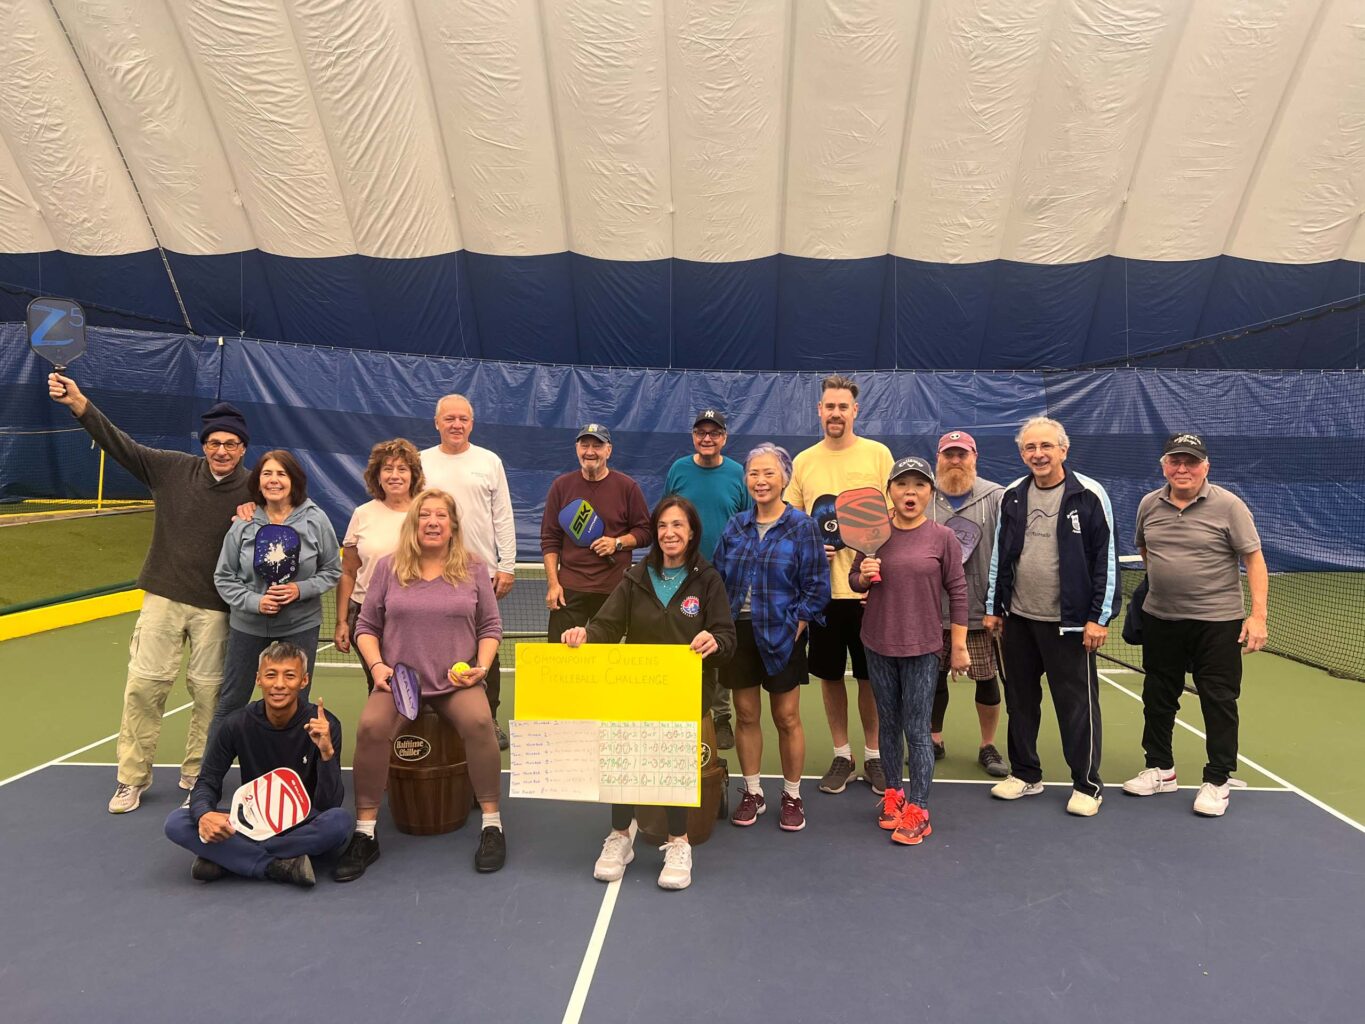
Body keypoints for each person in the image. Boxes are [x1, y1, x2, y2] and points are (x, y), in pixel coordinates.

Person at [47, 371, 251, 814]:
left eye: (231, 444)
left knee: (210, 695)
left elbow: (287, 524)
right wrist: (80, 405)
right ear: (204, 445)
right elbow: (119, 444)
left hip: (218, 609)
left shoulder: (256, 487)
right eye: (214, 443)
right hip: (163, 596)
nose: (222, 451)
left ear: (242, 448)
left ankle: (199, 773)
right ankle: (131, 779)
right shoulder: (170, 469)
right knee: (144, 687)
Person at [562, 496, 735, 891]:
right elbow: (607, 625)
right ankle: (620, 838)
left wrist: (714, 640)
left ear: (691, 533)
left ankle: (679, 843)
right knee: (623, 759)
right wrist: (585, 635)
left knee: (672, 765)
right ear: (655, 533)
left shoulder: (707, 580)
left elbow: (727, 636)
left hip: (684, 691)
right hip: (635, 689)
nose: (669, 533)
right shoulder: (636, 577)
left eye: (678, 525)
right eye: (662, 526)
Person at [337, 489, 505, 879]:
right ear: (413, 524)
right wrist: (378, 666)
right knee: (371, 728)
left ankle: (492, 825)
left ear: (453, 525)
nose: (432, 522)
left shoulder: (475, 567)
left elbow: (490, 627)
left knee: (482, 725)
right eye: (424, 515)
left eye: (441, 516)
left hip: (456, 682)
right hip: (401, 683)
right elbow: (366, 626)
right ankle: (365, 833)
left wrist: (479, 668)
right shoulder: (388, 567)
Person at [1122, 432, 1268, 817]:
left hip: (1217, 622)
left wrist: (1257, 616)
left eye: (1191, 462)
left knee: (1219, 700)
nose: (1182, 468)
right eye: (1175, 461)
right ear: (1164, 466)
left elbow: (1253, 560)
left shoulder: (1229, 506)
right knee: (1157, 696)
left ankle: (1217, 779)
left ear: (1206, 466)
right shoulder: (1149, 504)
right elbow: (1145, 548)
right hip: (1161, 619)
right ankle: (1160, 770)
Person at [984, 417, 1120, 816]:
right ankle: (1026, 774)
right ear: (1022, 453)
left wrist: (1099, 618)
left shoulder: (1090, 495)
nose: (1038, 454)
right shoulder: (1011, 495)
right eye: (1030, 448)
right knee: (1020, 701)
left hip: (1072, 625)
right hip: (1019, 621)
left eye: (1046, 446)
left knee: (1076, 706)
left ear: (1064, 449)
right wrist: (995, 608)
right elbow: (999, 555)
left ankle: (1087, 784)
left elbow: (1106, 562)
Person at [163, 641, 352, 886]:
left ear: (303, 681)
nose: (279, 684)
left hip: (302, 821)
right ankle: (276, 866)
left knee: (340, 822)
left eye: (290, 676)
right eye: (271, 675)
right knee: (177, 822)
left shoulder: (324, 725)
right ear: (258, 679)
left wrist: (326, 751)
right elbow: (208, 781)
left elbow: (329, 804)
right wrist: (204, 815)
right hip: (250, 820)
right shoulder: (236, 724)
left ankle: (229, 857)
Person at [851, 457, 969, 846]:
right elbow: (855, 581)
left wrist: (958, 645)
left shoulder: (942, 538)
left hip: (922, 648)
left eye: (919, 485)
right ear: (890, 492)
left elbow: (958, 591)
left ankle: (918, 808)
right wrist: (863, 576)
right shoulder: (873, 533)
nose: (910, 492)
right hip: (878, 643)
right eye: (902, 485)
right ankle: (893, 796)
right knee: (888, 724)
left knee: (918, 731)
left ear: (930, 493)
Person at [711, 445, 829, 833]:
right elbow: (716, 577)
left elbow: (815, 586)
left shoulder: (803, 526)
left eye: (768, 474)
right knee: (745, 715)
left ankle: (792, 795)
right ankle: (753, 791)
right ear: (746, 481)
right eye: (753, 474)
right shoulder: (735, 526)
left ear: (784, 478)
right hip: (739, 633)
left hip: (783, 633)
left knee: (787, 717)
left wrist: (796, 627)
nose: (760, 481)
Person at [785, 374, 894, 795]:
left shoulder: (878, 455)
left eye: (843, 407)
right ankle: (842, 754)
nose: (836, 413)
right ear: (819, 411)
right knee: (830, 676)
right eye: (829, 406)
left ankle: (873, 756)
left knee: (871, 677)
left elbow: (894, 515)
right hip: (822, 594)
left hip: (870, 592)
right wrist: (811, 549)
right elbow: (793, 522)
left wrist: (871, 556)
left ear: (855, 411)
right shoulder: (804, 461)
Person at [210, 451, 341, 748]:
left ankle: (292, 769)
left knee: (297, 702)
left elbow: (332, 570)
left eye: (281, 474)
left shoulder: (316, 519)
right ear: (258, 481)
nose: (274, 480)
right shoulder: (243, 522)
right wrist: (254, 602)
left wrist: (300, 590)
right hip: (248, 626)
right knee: (231, 701)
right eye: (267, 474)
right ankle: (208, 780)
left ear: (294, 480)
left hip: (300, 624)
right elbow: (224, 577)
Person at [420, 395, 516, 747]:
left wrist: (506, 565)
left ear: (471, 424)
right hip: (429, 573)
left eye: (463, 419)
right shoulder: (420, 462)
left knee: (486, 646)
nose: (456, 425)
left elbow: (503, 515)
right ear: (437, 422)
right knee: (435, 646)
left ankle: (489, 719)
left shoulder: (489, 461)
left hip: (482, 574)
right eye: (449, 419)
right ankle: (435, 718)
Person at [663, 408, 752, 749]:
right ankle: (682, 707)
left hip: (725, 577)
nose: (707, 438)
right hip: (682, 574)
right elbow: (668, 515)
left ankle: (721, 715)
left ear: (724, 438)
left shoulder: (736, 473)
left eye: (714, 433)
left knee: (717, 643)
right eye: (701, 432)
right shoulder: (679, 470)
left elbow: (747, 520)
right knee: (683, 639)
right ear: (694, 437)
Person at [927, 430, 1008, 777]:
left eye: (962, 454)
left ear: (975, 457)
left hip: (979, 613)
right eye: (949, 455)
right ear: (939, 458)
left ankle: (987, 745)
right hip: (930, 613)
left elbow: (1008, 553)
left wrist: (997, 606)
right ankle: (933, 739)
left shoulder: (997, 497)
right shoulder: (923, 496)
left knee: (986, 679)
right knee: (932, 681)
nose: (955, 461)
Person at [541, 423, 652, 639]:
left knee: (604, 663)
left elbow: (645, 532)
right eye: (585, 445)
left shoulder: (628, 487)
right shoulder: (561, 487)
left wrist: (617, 543)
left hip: (613, 591)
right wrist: (554, 585)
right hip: (569, 591)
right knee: (560, 661)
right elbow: (550, 540)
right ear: (577, 448)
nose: (590, 452)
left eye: (597, 446)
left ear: (608, 450)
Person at [335, 439, 425, 691]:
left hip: (416, 616)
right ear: (377, 475)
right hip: (367, 616)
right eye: (387, 468)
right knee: (380, 685)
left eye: (402, 469)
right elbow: (349, 571)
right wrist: (342, 621)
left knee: (416, 686)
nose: (394, 475)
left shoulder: (426, 513)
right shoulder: (362, 514)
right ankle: (385, 732)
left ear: (413, 475)